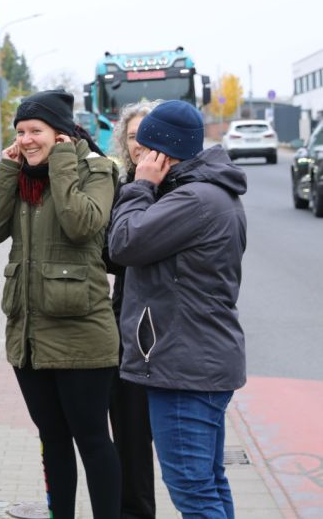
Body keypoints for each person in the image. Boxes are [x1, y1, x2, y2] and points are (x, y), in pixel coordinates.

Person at [0, 89, 121, 518]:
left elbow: (82, 224)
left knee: (92, 440)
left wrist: (60, 162)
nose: (26, 139)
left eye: (35, 130)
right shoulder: (22, 175)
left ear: (60, 133)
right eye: (20, 132)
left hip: (83, 334)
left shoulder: (96, 169)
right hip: (29, 336)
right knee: (52, 439)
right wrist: (6, 167)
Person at [108, 100, 247, 518]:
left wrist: (140, 186)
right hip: (196, 360)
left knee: (192, 490)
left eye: (146, 149)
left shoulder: (194, 200)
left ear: (161, 153)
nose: (140, 157)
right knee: (208, 483)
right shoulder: (209, 193)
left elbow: (124, 244)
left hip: (184, 368)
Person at [106, 101, 159, 519]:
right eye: (131, 136)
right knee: (128, 438)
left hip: (169, 329)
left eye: (147, 133)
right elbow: (114, 255)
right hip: (127, 325)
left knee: (181, 454)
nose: (139, 143)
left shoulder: (182, 186)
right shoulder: (122, 184)